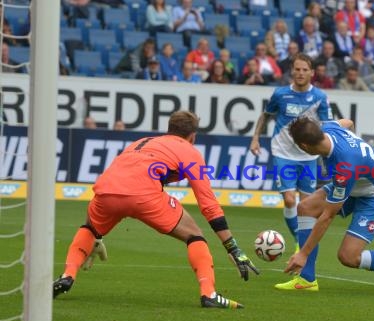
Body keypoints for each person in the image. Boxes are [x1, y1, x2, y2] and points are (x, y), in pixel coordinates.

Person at [53, 111, 259, 308]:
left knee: (90, 228)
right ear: (193, 136)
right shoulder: (190, 152)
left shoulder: (141, 142)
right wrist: (232, 248)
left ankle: (67, 275)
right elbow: (208, 204)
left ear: (169, 129)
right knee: (195, 235)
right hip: (144, 196)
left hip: (106, 190)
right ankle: (209, 293)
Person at [282, 117, 374, 292]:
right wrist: (354, 148)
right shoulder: (330, 127)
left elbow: (327, 216)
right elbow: (347, 122)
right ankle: (306, 279)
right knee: (305, 207)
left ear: (304, 146)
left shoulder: (344, 167)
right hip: (356, 183)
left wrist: (302, 254)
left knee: (348, 257)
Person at [249, 53, 332, 262]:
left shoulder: (320, 97)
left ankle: (301, 249)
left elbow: (328, 126)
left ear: (312, 73)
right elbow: (266, 115)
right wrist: (256, 138)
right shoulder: (280, 94)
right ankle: (298, 241)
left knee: (306, 207)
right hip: (282, 153)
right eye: (297, 69)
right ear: (292, 71)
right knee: (288, 200)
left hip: (308, 157)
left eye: (305, 70)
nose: (301, 73)